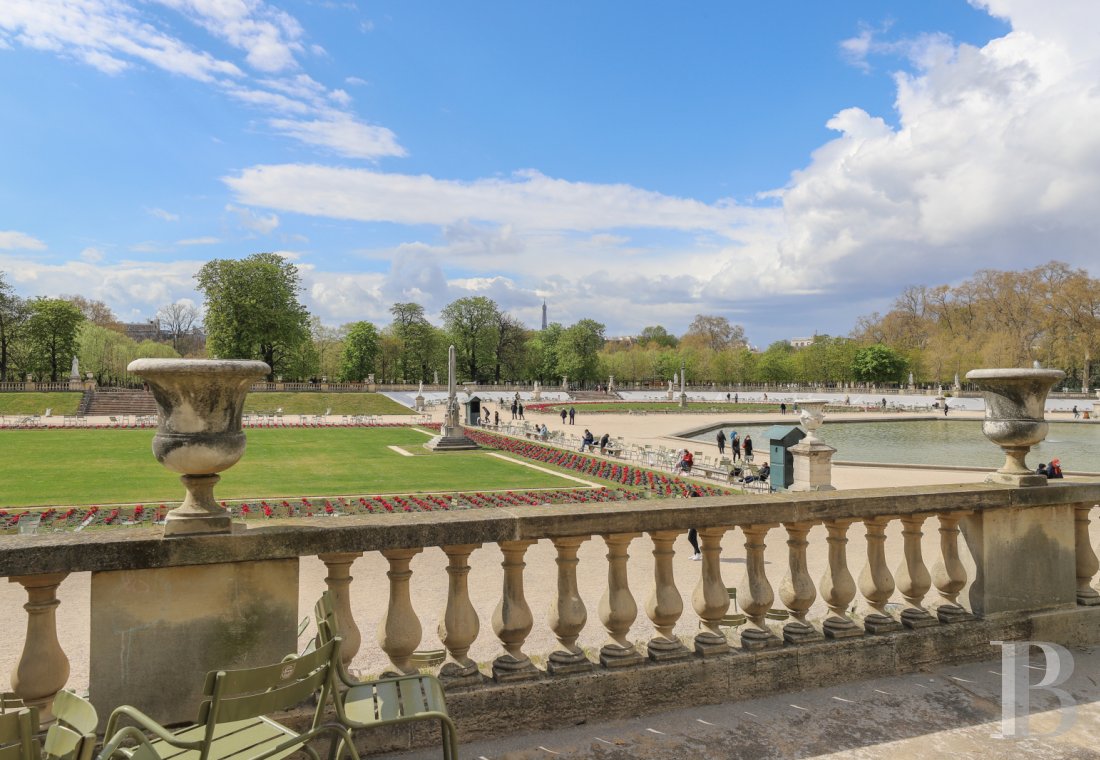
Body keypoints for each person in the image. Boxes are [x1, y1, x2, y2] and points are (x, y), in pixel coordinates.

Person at [686, 489, 702, 561]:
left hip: (696, 522)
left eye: (689, 497)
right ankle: (696, 553)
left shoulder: (696, 504)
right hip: (693, 521)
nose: (688, 497)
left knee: (690, 538)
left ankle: (698, 552)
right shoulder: (694, 503)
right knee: (693, 538)